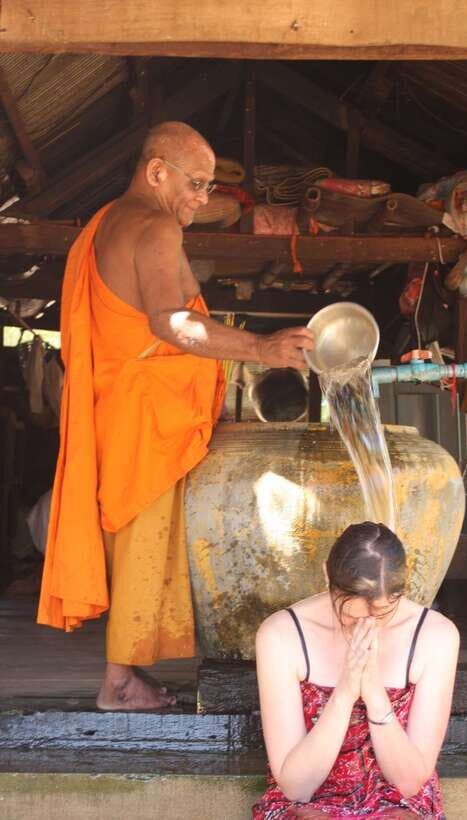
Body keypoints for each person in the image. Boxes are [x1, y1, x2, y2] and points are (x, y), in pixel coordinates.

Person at [37, 121, 314, 711]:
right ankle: (117, 683)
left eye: (210, 187)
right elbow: (172, 324)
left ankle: (123, 675)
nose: (203, 200)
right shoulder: (154, 223)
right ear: (157, 171)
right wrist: (262, 350)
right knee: (143, 544)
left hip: (130, 409)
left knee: (139, 543)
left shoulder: (106, 223)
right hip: (147, 416)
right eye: (196, 184)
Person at [253, 522, 459, 819]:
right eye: (350, 615)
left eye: (382, 613)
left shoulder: (435, 635)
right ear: (327, 575)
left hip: (398, 801)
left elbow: (409, 782)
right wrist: (345, 692)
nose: (366, 626)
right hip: (307, 800)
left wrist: (374, 692)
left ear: (399, 593)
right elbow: (297, 787)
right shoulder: (281, 634)